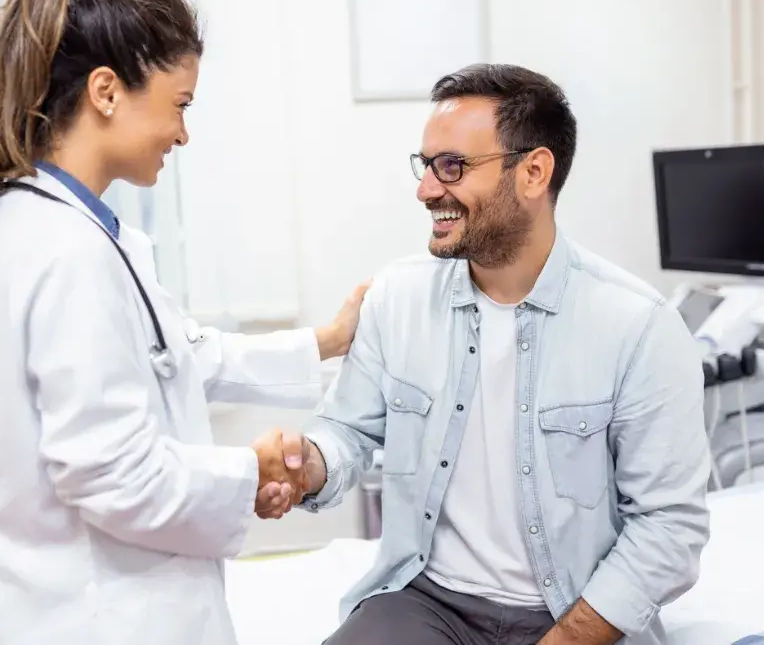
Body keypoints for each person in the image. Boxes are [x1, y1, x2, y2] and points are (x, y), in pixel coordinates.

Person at [0, 0, 367, 645]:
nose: (183, 133)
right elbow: (111, 474)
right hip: (95, 615)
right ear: (106, 91)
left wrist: (327, 341)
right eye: (180, 104)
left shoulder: (57, 229)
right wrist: (251, 472)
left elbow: (176, 354)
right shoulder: (67, 253)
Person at [259, 64, 712, 644]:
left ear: (534, 172)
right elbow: (348, 431)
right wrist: (309, 466)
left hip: (574, 609)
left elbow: (669, 528)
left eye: (452, 166)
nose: (426, 190)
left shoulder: (640, 327)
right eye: (425, 166)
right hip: (428, 601)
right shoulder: (397, 298)